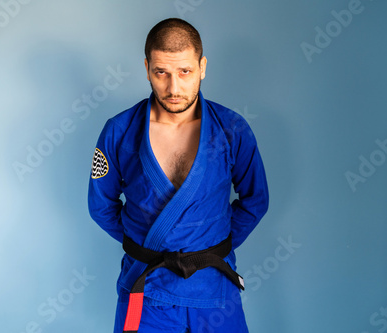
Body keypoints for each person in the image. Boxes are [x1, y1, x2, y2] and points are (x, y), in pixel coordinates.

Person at [88, 18, 268, 333]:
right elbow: (101, 206)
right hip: (144, 290)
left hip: (213, 289)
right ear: (147, 68)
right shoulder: (118, 132)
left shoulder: (232, 129)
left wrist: (209, 248)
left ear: (202, 67)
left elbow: (256, 199)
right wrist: (147, 247)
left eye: (185, 72)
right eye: (162, 73)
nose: (174, 87)